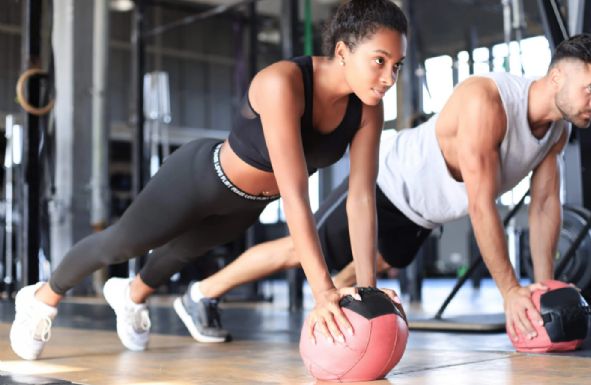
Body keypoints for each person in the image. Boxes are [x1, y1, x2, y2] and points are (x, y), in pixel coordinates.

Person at [9, 0, 408, 360]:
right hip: (201, 177)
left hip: (247, 204)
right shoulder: (282, 83)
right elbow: (295, 193)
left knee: (183, 253)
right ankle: (42, 299)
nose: (389, 77)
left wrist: (367, 292)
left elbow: (360, 198)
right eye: (380, 60)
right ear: (342, 51)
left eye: (397, 65)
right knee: (122, 244)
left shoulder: (367, 110)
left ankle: (131, 297)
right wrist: (323, 292)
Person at [172, 33, 591, 345]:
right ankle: (202, 293)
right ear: (557, 77)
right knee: (297, 250)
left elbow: (543, 207)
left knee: (364, 281)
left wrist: (540, 285)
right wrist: (510, 292)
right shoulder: (489, 101)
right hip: (386, 186)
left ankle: (337, 333)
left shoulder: (557, 133)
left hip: (424, 215)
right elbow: (482, 204)